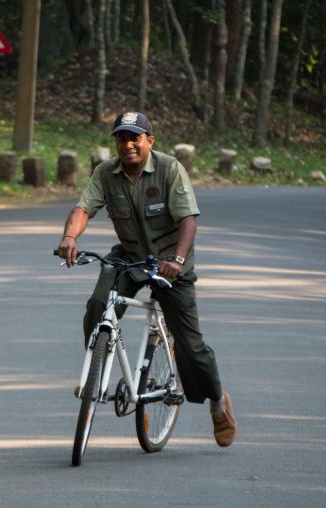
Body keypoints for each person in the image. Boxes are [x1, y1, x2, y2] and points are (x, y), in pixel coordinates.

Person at [56, 111, 236, 447]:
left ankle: (217, 401)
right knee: (98, 305)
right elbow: (84, 208)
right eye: (121, 139)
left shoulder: (169, 169)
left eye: (134, 138)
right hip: (129, 256)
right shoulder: (106, 173)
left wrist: (177, 261)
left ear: (149, 141)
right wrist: (69, 237)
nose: (127, 145)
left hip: (170, 262)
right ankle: (96, 375)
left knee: (191, 346)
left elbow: (188, 219)